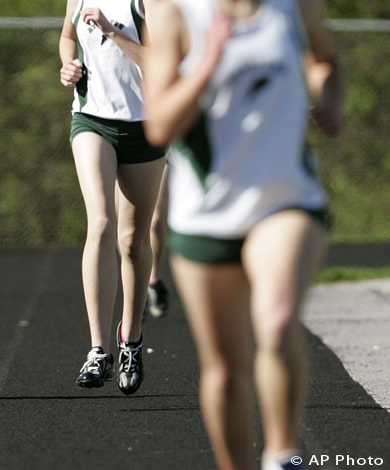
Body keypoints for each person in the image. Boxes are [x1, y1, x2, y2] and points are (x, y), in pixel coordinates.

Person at [142, 0, 344, 467]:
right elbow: (159, 124)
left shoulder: (295, 6)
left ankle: (282, 453)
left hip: (284, 199)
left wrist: (329, 98)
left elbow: (325, 61)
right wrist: (209, 61)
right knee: (226, 374)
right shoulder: (176, 14)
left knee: (275, 320)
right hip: (207, 214)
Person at [59, 0, 167, 395]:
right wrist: (68, 65)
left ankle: (132, 340)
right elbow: (67, 37)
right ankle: (97, 349)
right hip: (92, 120)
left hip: (145, 127)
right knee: (101, 222)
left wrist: (112, 32)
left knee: (133, 243)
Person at [146, 165, 169, 318]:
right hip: (121, 146)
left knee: (156, 220)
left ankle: (153, 282)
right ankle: (135, 288)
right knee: (126, 229)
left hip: (160, 151)